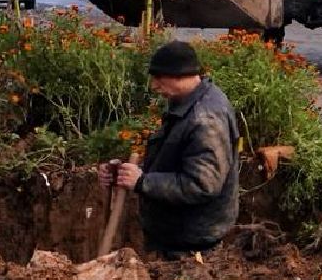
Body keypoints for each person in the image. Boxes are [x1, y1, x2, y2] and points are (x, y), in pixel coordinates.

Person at [98, 40, 240, 259]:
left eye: (159, 78)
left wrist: (142, 182)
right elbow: (175, 157)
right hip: (177, 233)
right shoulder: (187, 102)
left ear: (180, 75)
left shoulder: (205, 120)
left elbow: (201, 184)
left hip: (192, 242)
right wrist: (129, 173)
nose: (154, 86)